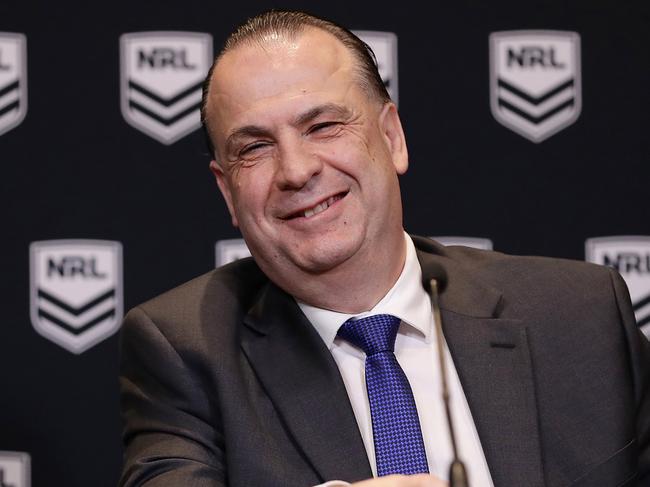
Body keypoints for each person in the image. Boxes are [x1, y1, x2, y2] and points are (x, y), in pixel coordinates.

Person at [118, 10, 650, 487]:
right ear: (226, 190)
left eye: (322, 126)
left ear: (392, 137)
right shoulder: (185, 348)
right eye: (255, 147)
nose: (297, 170)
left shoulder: (580, 313)